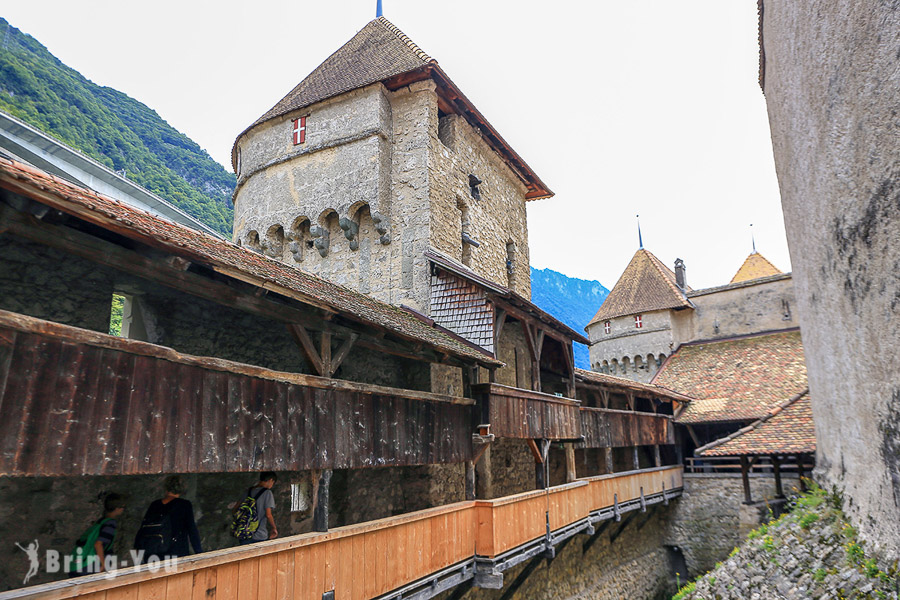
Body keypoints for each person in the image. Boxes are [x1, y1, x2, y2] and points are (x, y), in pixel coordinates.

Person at [135, 475, 202, 561]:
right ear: (182, 488)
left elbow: (143, 528)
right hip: (175, 552)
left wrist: (138, 550)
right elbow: (192, 529)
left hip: (153, 553)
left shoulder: (154, 505)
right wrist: (199, 552)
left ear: (166, 487)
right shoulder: (184, 505)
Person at [68, 492, 126, 577]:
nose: (123, 510)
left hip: (77, 565)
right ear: (117, 508)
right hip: (88, 565)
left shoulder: (100, 522)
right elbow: (98, 544)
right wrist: (103, 564)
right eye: (123, 507)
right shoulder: (110, 524)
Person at [241, 472, 278, 545]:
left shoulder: (248, 491)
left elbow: (235, 509)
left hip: (244, 533)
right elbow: (268, 515)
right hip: (259, 534)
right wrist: (274, 528)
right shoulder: (267, 493)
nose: (272, 485)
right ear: (271, 480)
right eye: (273, 482)